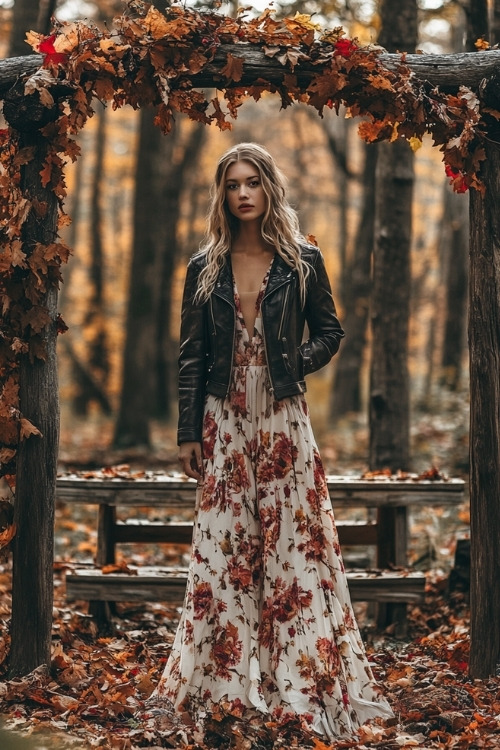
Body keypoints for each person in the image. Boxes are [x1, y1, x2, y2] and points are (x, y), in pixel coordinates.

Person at [149, 142, 393, 738]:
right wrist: (189, 433)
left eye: (252, 182)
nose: (242, 194)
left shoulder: (301, 260)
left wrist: (289, 363)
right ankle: (220, 688)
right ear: (222, 194)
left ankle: (301, 682)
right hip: (223, 418)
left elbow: (331, 331)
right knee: (225, 551)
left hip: (284, 419)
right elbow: (191, 355)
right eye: (232, 184)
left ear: (269, 188)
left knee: (294, 549)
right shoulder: (204, 266)